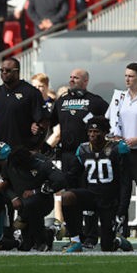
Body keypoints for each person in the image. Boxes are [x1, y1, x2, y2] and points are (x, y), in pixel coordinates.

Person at [50, 68, 108, 248]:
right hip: (67, 155)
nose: (71, 80)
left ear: (85, 81)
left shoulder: (95, 101)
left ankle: (91, 236)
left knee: (89, 196)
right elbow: (50, 121)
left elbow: (109, 120)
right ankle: (75, 235)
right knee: (69, 197)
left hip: (88, 155)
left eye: (76, 77)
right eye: (70, 77)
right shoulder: (62, 100)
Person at [62, 116, 132, 252]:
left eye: (96, 131)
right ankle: (75, 241)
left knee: (106, 247)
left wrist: (122, 207)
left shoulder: (117, 149)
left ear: (105, 132)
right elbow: (72, 175)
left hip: (110, 200)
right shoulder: (83, 149)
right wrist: (56, 181)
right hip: (91, 196)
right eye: (90, 131)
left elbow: (125, 181)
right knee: (67, 197)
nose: (92, 135)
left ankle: (117, 241)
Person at [105, 62, 137, 244]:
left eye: (131, 76)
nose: (127, 79)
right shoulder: (119, 98)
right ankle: (119, 235)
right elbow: (111, 122)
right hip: (121, 152)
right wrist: (115, 138)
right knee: (120, 195)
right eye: (126, 75)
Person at [0, 145, 67, 251]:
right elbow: (3, 182)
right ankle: (49, 232)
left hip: (41, 202)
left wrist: (37, 191)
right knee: (25, 247)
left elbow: (61, 180)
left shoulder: (42, 163)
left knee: (30, 205)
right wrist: (13, 197)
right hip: (20, 203)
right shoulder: (11, 161)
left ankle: (41, 241)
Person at [0, 57, 49, 150]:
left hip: (22, 152)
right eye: (2, 70)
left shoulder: (31, 92)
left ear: (17, 72)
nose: (4, 72)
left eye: (8, 70)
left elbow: (44, 122)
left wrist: (35, 148)